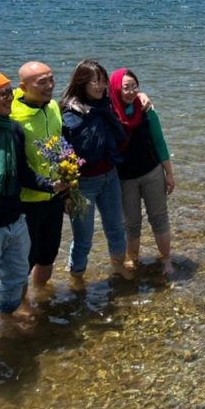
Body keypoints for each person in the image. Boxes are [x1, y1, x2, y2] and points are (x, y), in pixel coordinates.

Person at [0, 70, 60, 332]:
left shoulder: (13, 129)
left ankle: (7, 322)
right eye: (3, 94)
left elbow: (23, 173)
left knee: (16, 279)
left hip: (16, 220)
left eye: (10, 92)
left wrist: (50, 185)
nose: (10, 98)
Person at [61, 59, 129, 283]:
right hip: (83, 184)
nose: (100, 86)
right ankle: (77, 279)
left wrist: (143, 98)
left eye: (103, 81)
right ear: (82, 83)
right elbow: (61, 154)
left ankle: (119, 269)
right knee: (83, 239)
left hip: (110, 176)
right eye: (94, 82)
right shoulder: (67, 111)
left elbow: (131, 97)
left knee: (116, 229)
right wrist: (67, 193)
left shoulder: (106, 105)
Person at [108, 68, 177, 275]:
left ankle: (166, 259)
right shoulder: (109, 114)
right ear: (115, 89)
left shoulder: (146, 110)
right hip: (124, 178)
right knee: (131, 223)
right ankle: (134, 260)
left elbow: (159, 142)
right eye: (125, 87)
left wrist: (169, 174)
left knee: (159, 217)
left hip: (152, 172)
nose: (130, 92)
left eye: (134, 87)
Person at [11, 61, 65, 290]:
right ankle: (19, 304)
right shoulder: (11, 113)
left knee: (48, 253)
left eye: (51, 79)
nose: (50, 86)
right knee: (24, 259)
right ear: (23, 87)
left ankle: (40, 295)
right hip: (26, 201)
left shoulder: (53, 106)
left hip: (54, 197)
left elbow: (61, 147)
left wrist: (67, 188)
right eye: (42, 82)